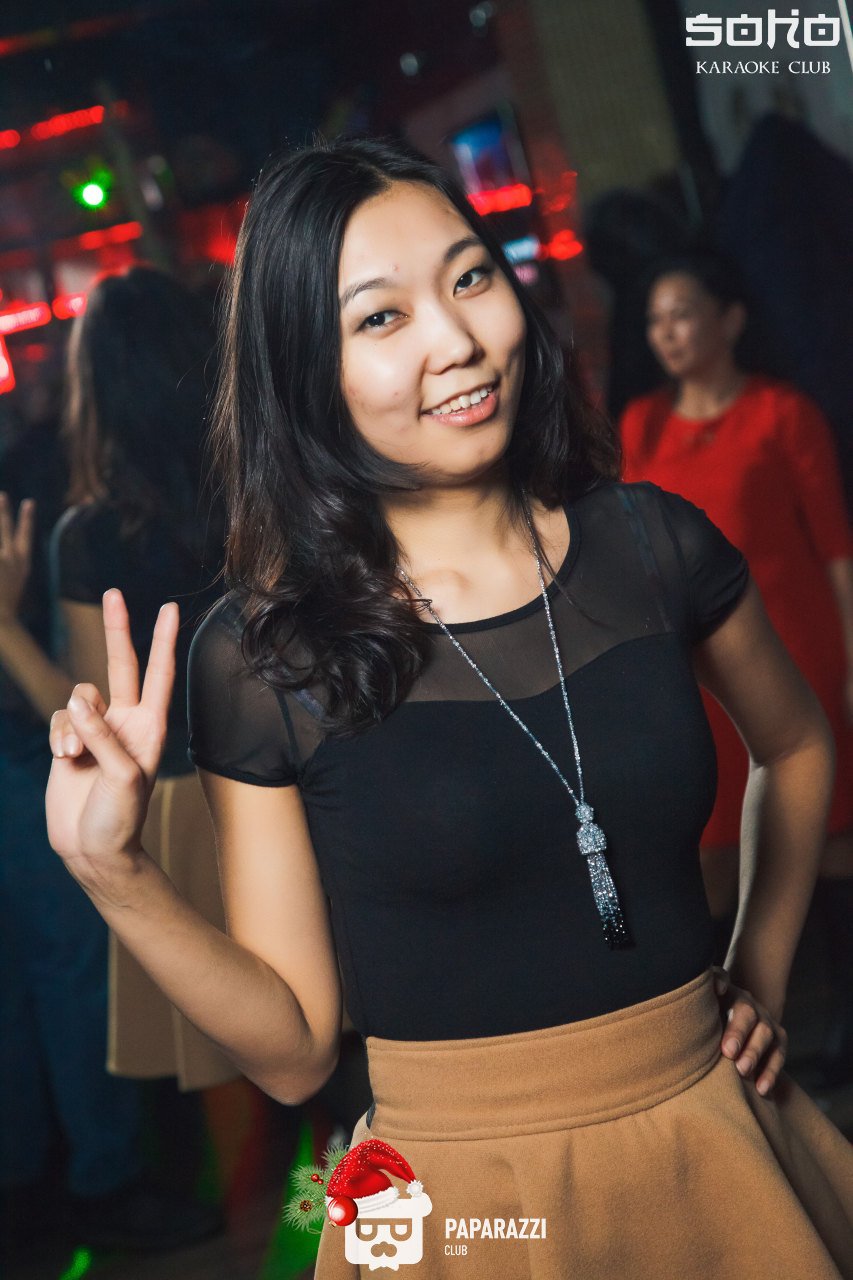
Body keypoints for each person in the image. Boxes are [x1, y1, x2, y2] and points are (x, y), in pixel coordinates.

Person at [44, 139, 852, 1278]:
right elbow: (294, 1051)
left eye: (470, 277)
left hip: (711, 1128)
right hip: (460, 1199)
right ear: (305, 371)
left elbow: (799, 742)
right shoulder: (266, 658)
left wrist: (759, 968)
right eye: (381, 318)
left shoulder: (652, 545)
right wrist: (112, 871)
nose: (458, 339)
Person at [0, 267, 228, 1254]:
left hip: (160, 803)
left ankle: (126, 1182)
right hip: (257, 780)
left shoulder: (93, 531)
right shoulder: (248, 490)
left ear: (98, 388)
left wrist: (2, 626)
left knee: (106, 989)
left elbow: (91, 717)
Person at [620, 252, 853, 1083]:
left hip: (795, 654)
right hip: (695, 677)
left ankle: (838, 1025)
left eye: (683, 313)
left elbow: (835, 548)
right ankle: (746, 1037)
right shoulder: (639, 426)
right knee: (718, 854)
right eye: (655, 319)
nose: (667, 332)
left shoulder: (781, 413)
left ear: (729, 320)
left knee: (827, 838)